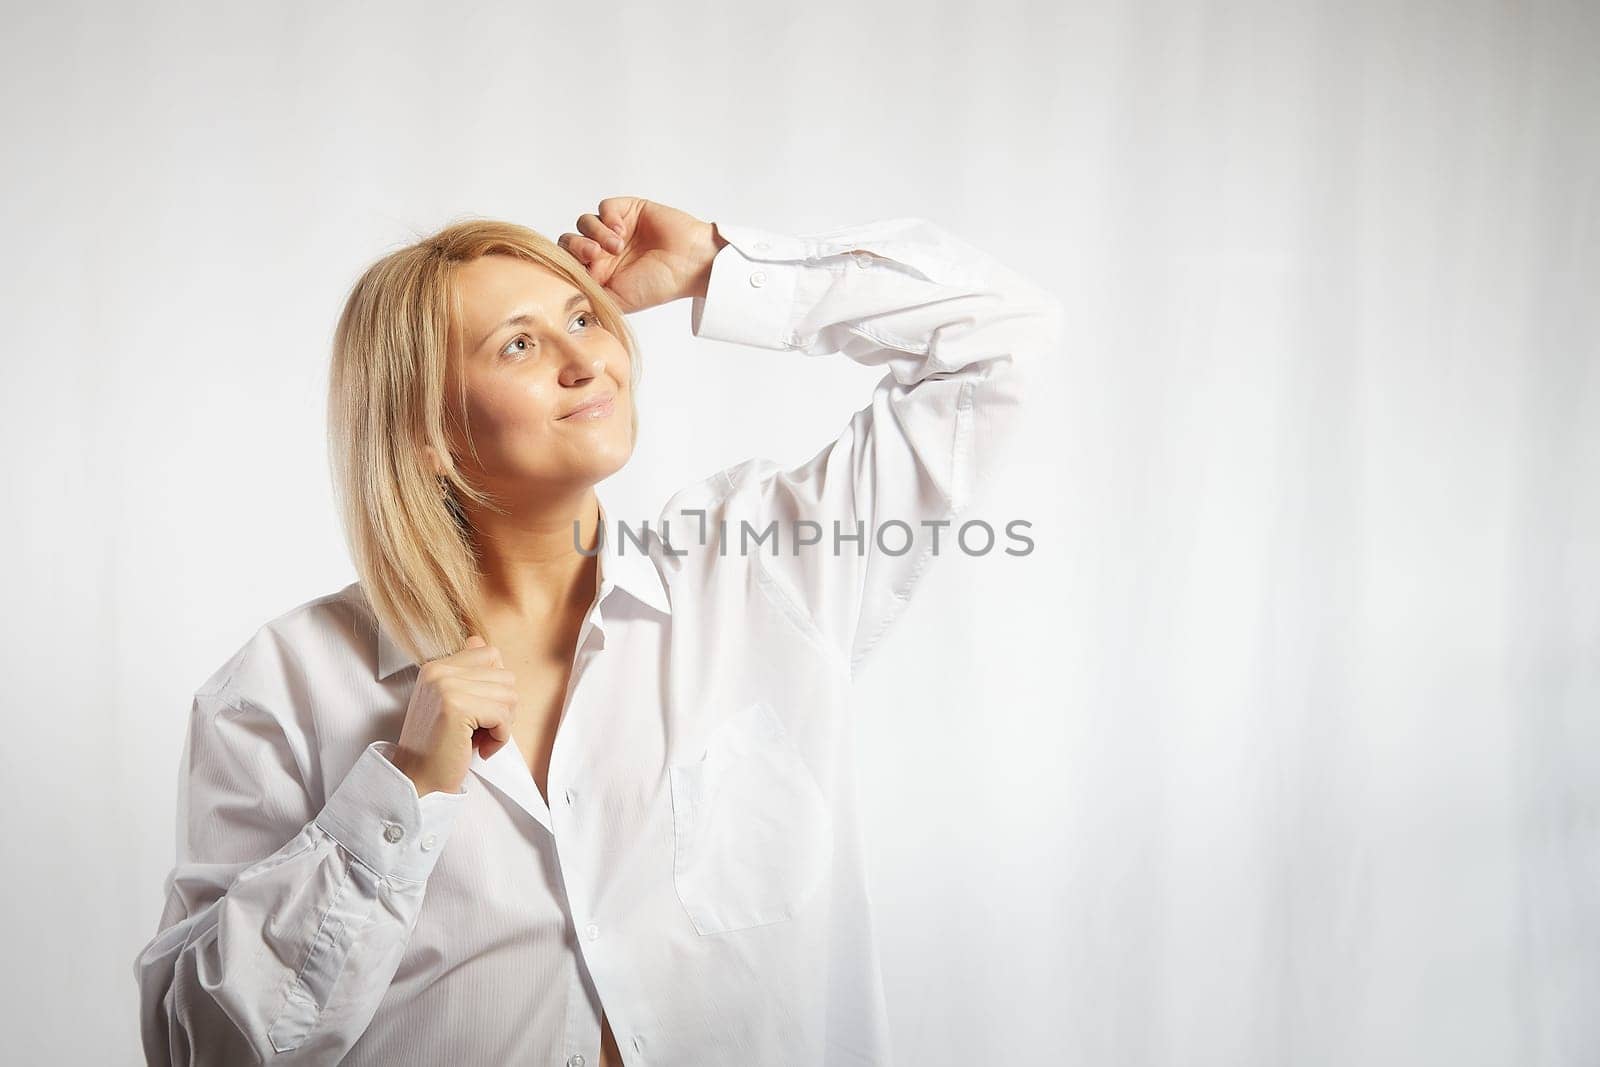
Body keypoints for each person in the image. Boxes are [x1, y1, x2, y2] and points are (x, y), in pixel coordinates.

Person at [132, 196, 1062, 1065]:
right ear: (431, 434)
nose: (586, 361)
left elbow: (999, 339)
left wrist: (717, 265)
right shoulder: (283, 688)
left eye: (581, 319)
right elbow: (200, 1043)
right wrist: (401, 793)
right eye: (519, 345)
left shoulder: (761, 569)